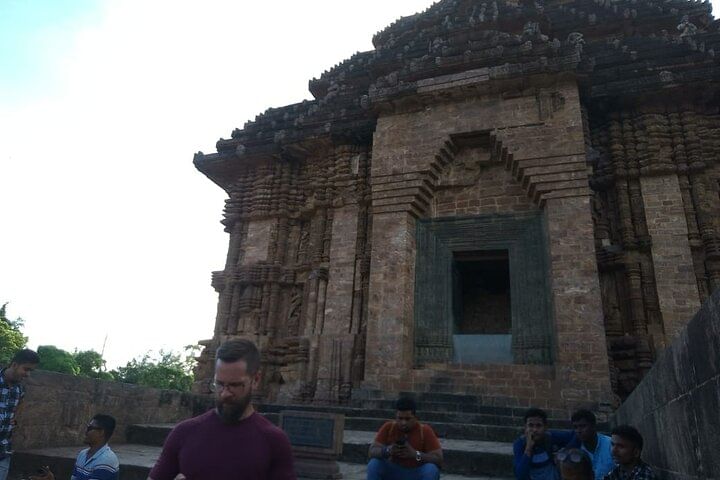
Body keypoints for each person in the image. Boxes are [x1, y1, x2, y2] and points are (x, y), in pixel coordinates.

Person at [147, 339, 296, 480]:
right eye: (219, 384)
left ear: (256, 380)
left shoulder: (274, 441)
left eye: (235, 385)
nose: (225, 393)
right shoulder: (184, 433)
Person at [367, 396, 443, 480]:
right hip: (393, 472)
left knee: (431, 469)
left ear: (415, 417)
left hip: (416, 473)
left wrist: (415, 454)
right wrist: (388, 450)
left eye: (407, 419)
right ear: (396, 416)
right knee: (374, 464)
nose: (403, 423)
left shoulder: (425, 430)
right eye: (400, 418)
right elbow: (372, 451)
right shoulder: (389, 427)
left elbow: (438, 459)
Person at [30, 414, 119, 480]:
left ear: (101, 432)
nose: (85, 432)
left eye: (89, 428)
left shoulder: (106, 460)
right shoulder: (83, 454)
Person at [0, 349, 39, 480]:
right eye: (26, 369)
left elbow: (21, 403)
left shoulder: (20, 388)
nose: (28, 374)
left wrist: (16, 418)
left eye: (31, 371)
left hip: (3, 450)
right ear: (14, 364)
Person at [513, 407, 577, 480]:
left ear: (545, 427)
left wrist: (564, 452)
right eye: (530, 425)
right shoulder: (520, 443)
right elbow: (520, 475)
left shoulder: (550, 437)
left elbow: (576, 435)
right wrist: (528, 448)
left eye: (539, 425)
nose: (534, 430)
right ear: (525, 427)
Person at [571, 409, 614, 480]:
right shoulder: (576, 451)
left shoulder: (611, 444)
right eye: (575, 427)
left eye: (583, 426)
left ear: (593, 426)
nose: (579, 431)